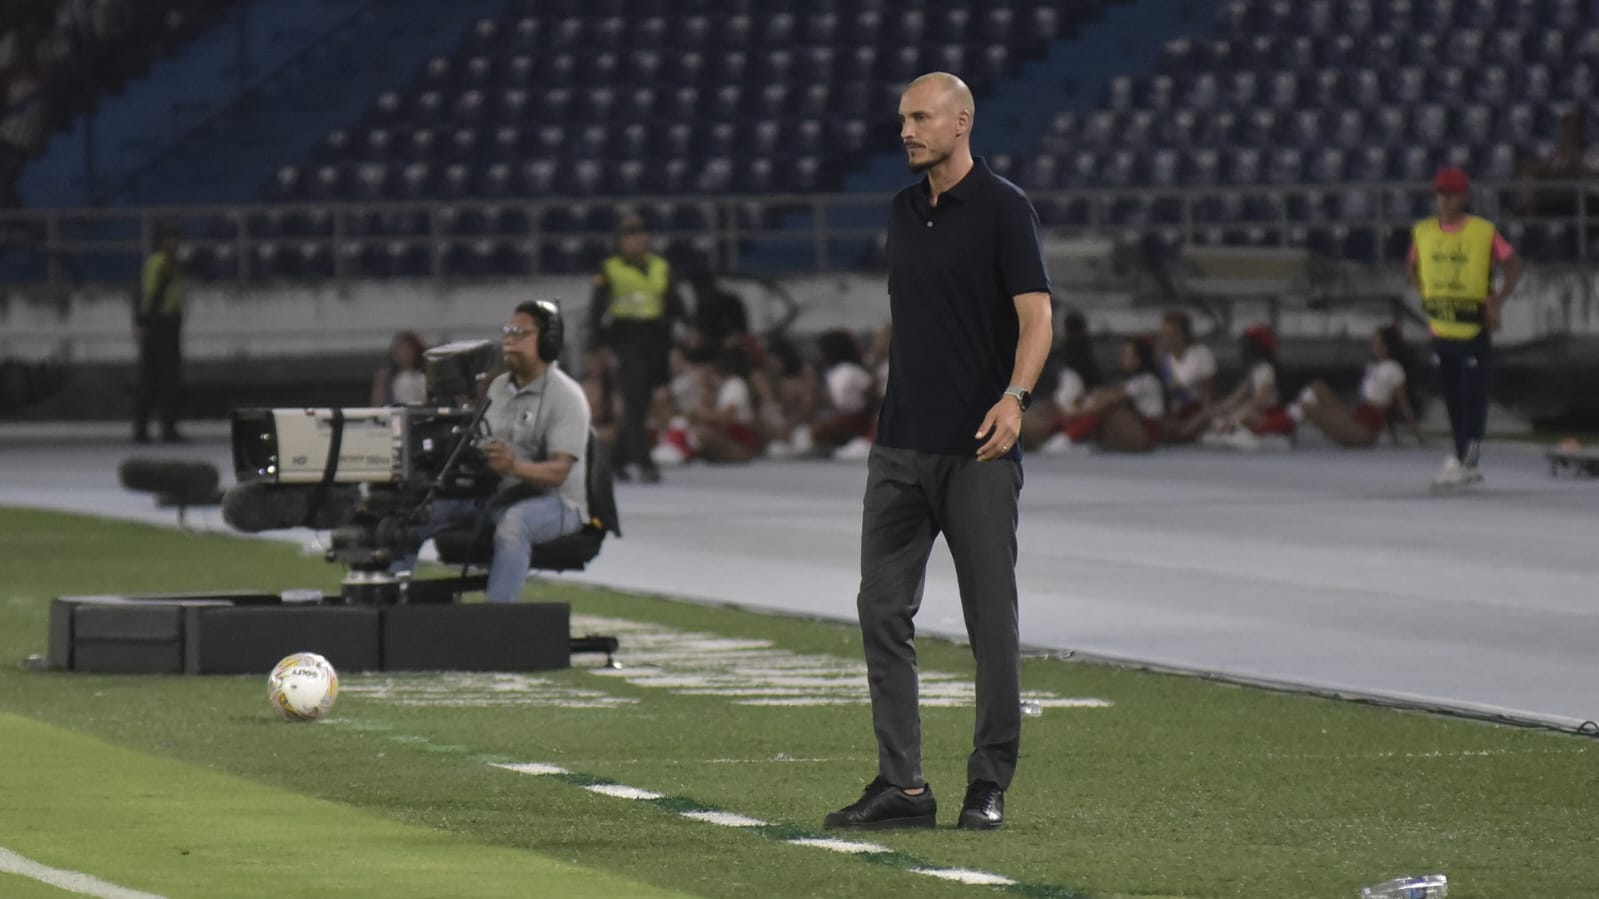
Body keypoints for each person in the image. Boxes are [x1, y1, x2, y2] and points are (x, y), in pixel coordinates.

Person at [824, 72, 1052, 833]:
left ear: (961, 123)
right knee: (880, 609)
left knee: (991, 621)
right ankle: (903, 786)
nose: (906, 130)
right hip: (898, 449)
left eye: (920, 117)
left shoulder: (1003, 209)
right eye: (902, 119)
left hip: (978, 451)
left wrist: (1014, 400)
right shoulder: (900, 210)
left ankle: (988, 782)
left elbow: (1036, 320)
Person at [396, 300, 591, 602]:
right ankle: (390, 607)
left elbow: (559, 471)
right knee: (413, 516)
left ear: (548, 341)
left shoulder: (565, 396)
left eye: (521, 333)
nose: (510, 339)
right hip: (494, 492)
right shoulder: (498, 387)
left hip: (556, 502)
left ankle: (498, 619)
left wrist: (513, 467)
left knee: (514, 525)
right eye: (508, 331)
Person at [1408, 167, 1521, 487]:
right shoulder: (1424, 232)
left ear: (1464, 197)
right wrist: (1429, 296)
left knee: (1473, 395)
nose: (1445, 200)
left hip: (1472, 328)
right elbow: (1414, 267)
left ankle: (1465, 458)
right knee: (1453, 397)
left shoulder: (1483, 232)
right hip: (1442, 328)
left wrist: (1496, 301)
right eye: (1441, 193)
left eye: (1452, 194)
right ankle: (1462, 457)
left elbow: (1513, 262)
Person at [588, 213, 690, 484]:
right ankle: (644, 463)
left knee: (642, 403)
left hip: (656, 337)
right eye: (629, 236)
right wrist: (595, 347)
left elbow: (673, 302)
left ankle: (615, 459)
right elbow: (597, 309)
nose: (635, 241)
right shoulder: (610, 269)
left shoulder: (660, 266)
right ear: (621, 242)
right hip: (626, 337)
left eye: (639, 235)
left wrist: (687, 329)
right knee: (633, 400)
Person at [1288, 325, 1425, 448]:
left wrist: (1418, 437)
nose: (1374, 346)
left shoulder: (1394, 369)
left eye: (1377, 343)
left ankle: (1282, 429)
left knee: (1305, 406)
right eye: (1374, 342)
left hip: (1364, 431)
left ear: (1387, 346)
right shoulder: (1373, 366)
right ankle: (1285, 427)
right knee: (1317, 386)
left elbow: (1402, 404)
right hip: (1356, 417)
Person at [1194, 324, 1294, 451]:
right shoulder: (1253, 371)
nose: (1243, 348)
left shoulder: (1266, 369)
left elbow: (1259, 401)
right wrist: (1214, 410)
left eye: (1246, 344)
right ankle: (1233, 432)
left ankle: (1245, 435)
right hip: (1257, 411)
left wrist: (1236, 416)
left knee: (1245, 415)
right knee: (1218, 414)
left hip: (1271, 415)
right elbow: (1234, 399)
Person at [1060, 336, 1167, 453]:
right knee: (1103, 404)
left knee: (1110, 409)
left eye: (1127, 355)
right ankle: (1077, 438)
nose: (1124, 359)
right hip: (1139, 427)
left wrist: (1078, 412)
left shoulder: (1147, 379)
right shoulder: (1131, 380)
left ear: (1139, 359)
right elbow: (1109, 393)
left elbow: (1113, 399)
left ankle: (1069, 437)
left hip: (1149, 431)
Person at [132, 227, 185, 443]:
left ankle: (158, 428)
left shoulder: (169, 263)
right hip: (159, 326)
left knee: (159, 380)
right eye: (170, 239)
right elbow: (149, 295)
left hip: (166, 325)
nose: (174, 243)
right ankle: (154, 429)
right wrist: (143, 322)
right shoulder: (161, 264)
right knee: (159, 379)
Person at [1023, 309, 1102, 454]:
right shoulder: (1067, 354)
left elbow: (1091, 386)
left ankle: (1066, 437)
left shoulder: (1077, 356)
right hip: (1063, 399)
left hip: (1072, 402)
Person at [1157, 309, 1216, 442]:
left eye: (1173, 334)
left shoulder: (1201, 354)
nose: (1168, 338)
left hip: (1198, 412)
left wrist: (1202, 420)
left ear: (1184, 335)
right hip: (1177, 413)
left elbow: (1208, 395)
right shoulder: (1166, 361)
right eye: (1165, 334)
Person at [370, 331, 428, 406]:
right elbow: (377, 405)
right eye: (398, 350)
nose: (401, 354)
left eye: (406, 350)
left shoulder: (422, 376)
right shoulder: (387, 377)